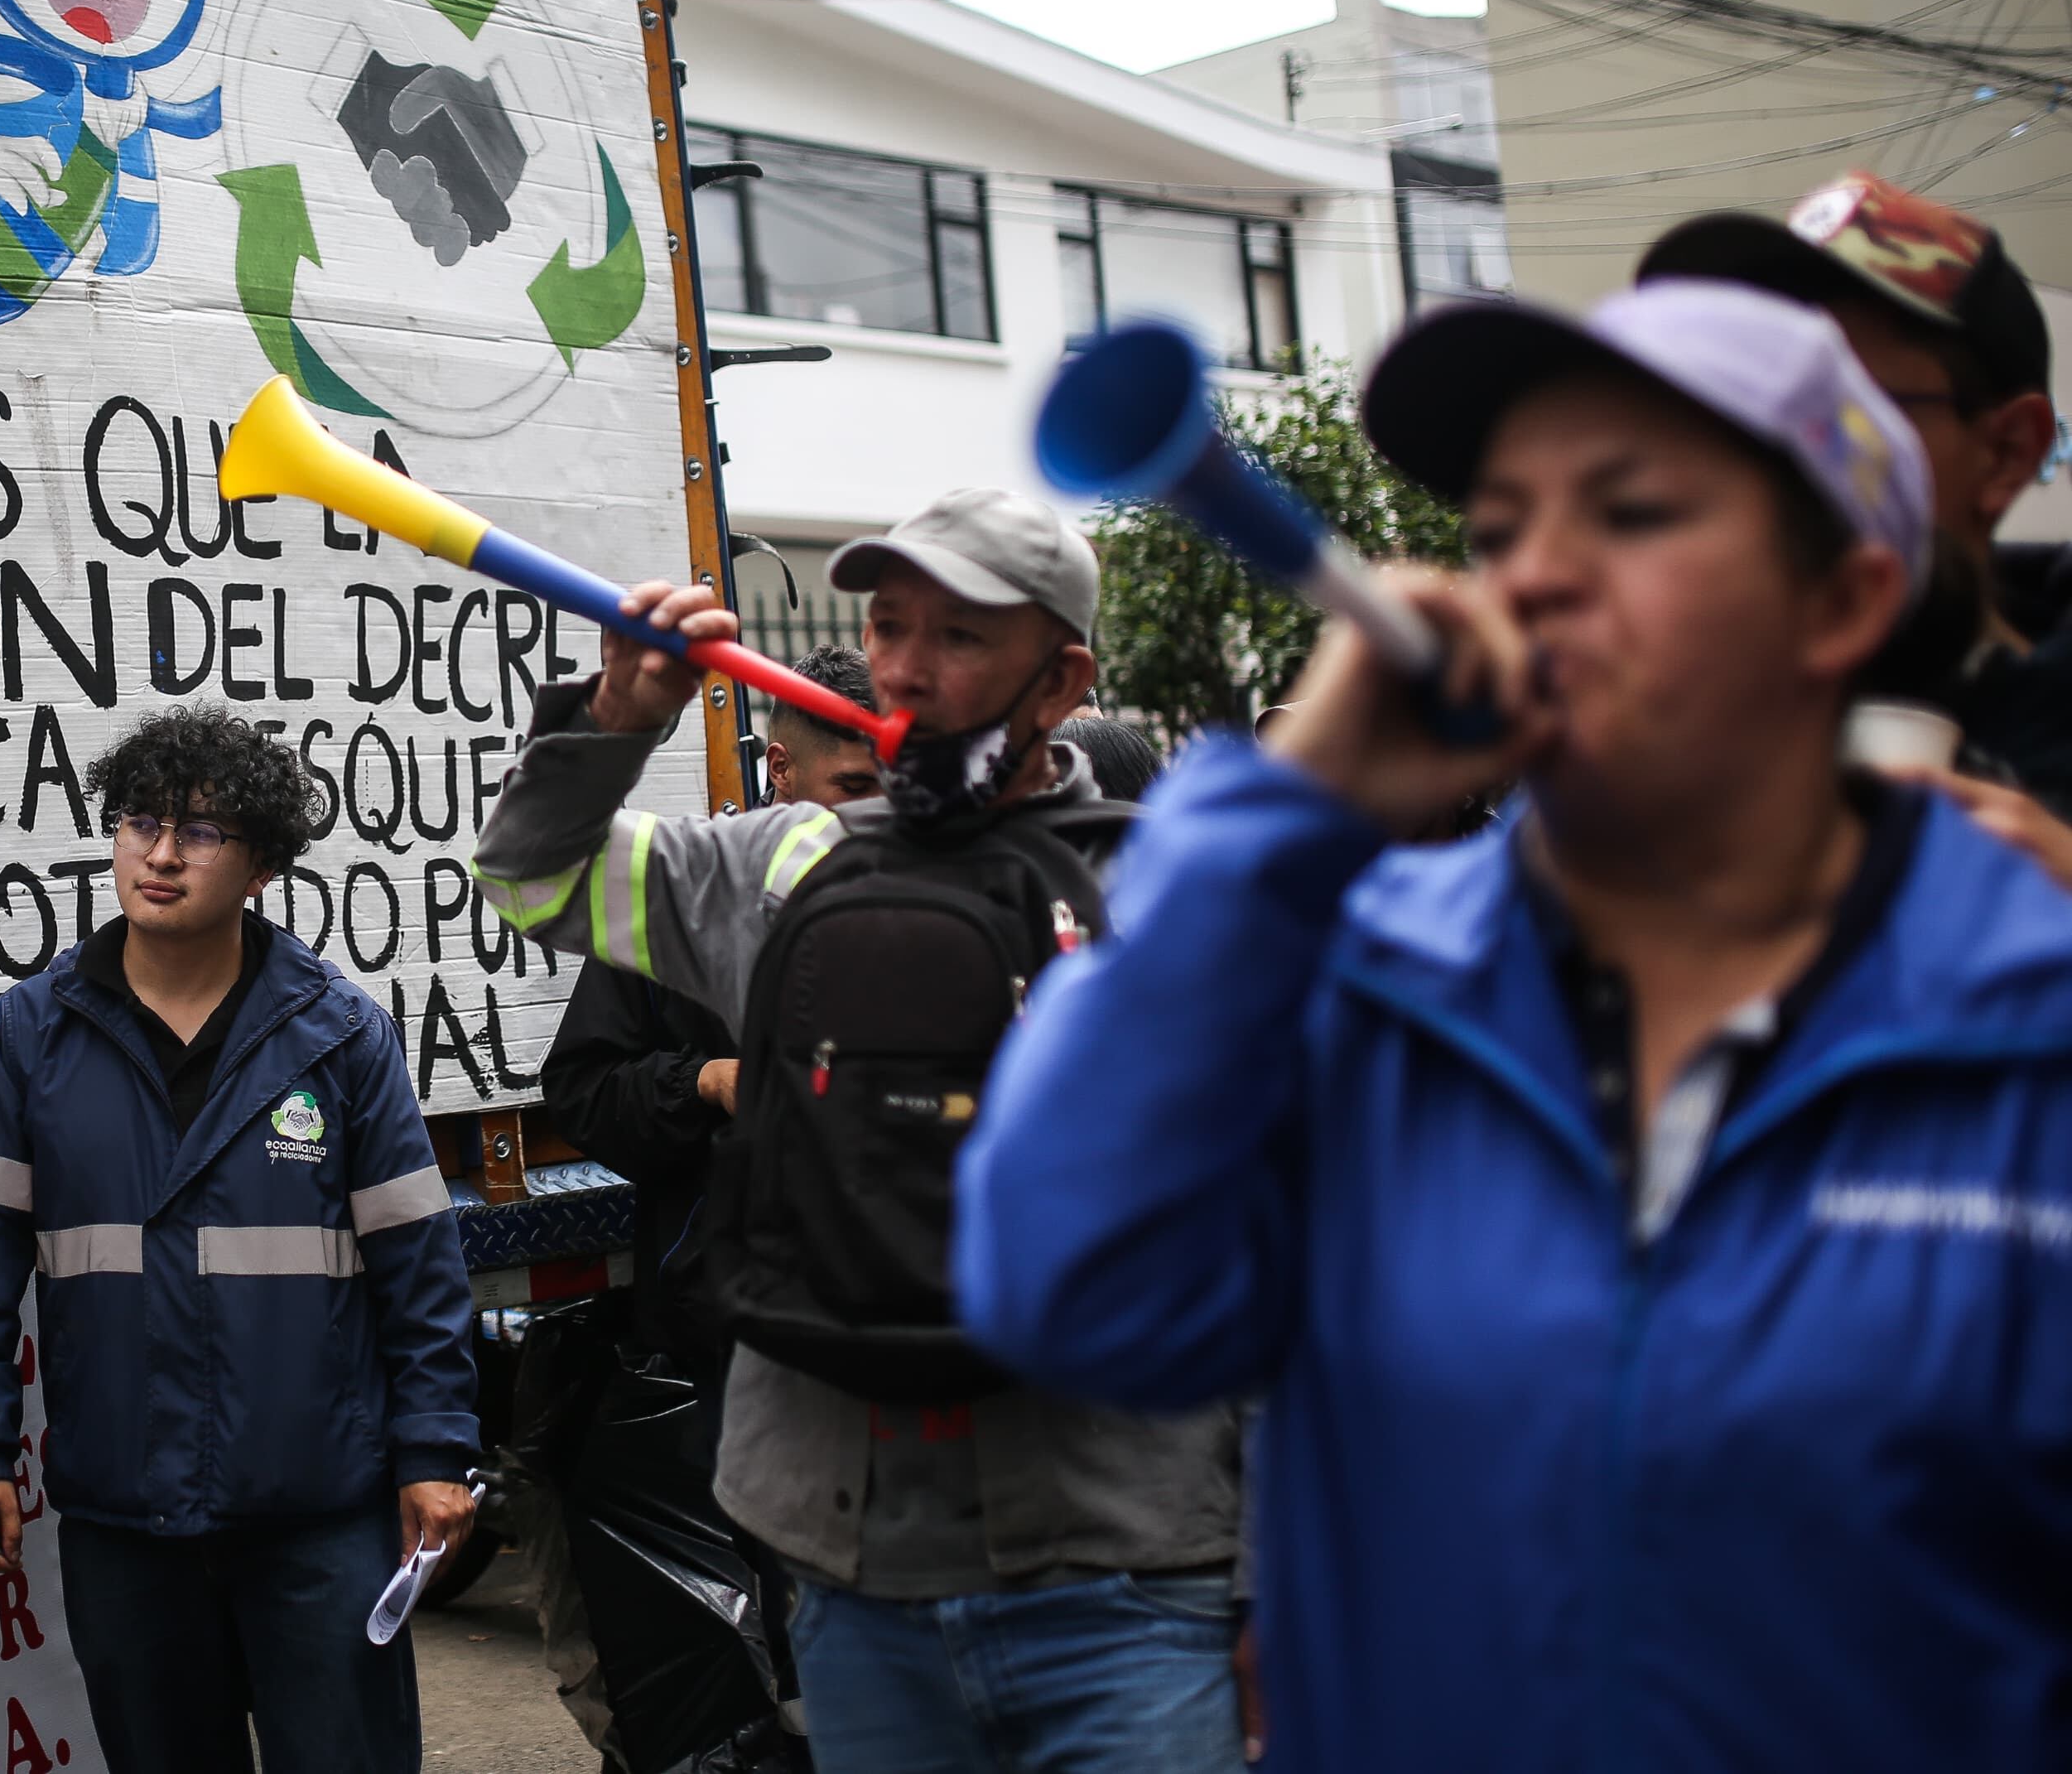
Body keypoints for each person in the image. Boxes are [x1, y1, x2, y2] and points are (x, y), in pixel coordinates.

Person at [953, 277, 2072, 1771]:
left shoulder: (2027, 1008)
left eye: (1633, 512)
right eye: (1500, 528)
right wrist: (1289, 806)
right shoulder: (1359, 977)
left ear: (1849, 596)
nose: (1535, 574)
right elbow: (1064, 1288)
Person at [475, 496, 1250, 1774]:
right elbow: (534, 882)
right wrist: (618, 719)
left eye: (959, 635)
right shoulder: (777, 860)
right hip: (853, 1563)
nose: (904, 668)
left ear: (1062, 681)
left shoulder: (1180, 891)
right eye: (889, 626)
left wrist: (1270, 1578)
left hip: (1129, 1556)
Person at [0, 705, 479, 1774]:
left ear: (264, 863)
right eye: (140, 821)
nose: (162, 853)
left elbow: (421, 1270)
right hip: (125, 1512)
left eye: (201, 831)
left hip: (318, 1513)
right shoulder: (31, 1035)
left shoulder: (339, 1034)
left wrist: (435, 1453)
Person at [537, 644, 881, 1763]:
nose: (874, 826)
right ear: (782, 769)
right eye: (855, 790)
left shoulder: (967, 903)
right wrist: (709, 1083)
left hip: (918, 1373)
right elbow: (583, 1087)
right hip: (732, 1356)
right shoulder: (687, 907)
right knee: (782, 1646)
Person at [1640, 172, 2072, 855]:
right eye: (1745, 403)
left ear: (2007, 453)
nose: (1772, 453)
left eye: (1839, 408)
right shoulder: (1676, 716)